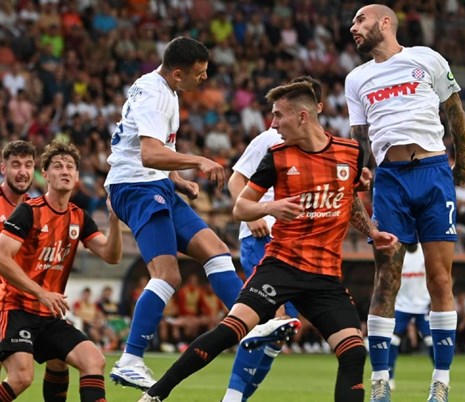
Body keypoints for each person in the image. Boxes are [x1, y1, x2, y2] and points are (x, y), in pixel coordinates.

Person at [138, 80, 397, 402]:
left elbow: (350, 199)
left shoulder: (350, 153)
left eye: (278, 115)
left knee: (354, 352)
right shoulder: (277, 156)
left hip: (325, 276)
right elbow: (240, 207)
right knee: (229, 330)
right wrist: (270, 207)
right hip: (281, 266)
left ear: (303, 116)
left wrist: (371, 231)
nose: (273, 123)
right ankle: (155, 395)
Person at [345, 5, 465, 402]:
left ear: (385, 22)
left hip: (433, 172)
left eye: (360, 21)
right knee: (386, 278)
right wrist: (358, 173)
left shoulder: (426, 59)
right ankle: (381, 381)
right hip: (391, 180)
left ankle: (441, 383)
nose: (353, 28)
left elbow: (456, 115)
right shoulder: (356, 79)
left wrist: (462, 167)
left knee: (440, 279)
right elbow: (360, 138)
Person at [104, 36, 244, 390]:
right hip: (136, 186)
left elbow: (155, 150)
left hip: (157, 185)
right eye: (200, 73)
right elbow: (149, 154)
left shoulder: (165, 89)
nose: (205, 78)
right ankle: (130, 359)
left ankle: (253, 324)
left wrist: (178, 180)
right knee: (167, 275)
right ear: (178, 73)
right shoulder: (154, 94)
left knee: (215, 250)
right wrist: (198, 161)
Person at [0, 140, 122, 402]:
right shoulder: (28, 211)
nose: (65, 171)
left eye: (70, 167)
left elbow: (111, 256)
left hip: (48, 314)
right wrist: (42, 293)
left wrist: (114, 220)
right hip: (15, 309)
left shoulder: (78, 216)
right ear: (44, 174)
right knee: (22, 377)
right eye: (57, 166)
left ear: (77, 176)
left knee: (94, 360)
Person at [221, 76, 324, 402]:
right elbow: (236, 181)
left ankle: (237, 398)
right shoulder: (268, 140)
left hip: (296, 246)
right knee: (268, 319)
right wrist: (253, 216)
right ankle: (232, 398)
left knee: (280, 332)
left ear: (315, 109)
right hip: (262, 237)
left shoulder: (318, 148)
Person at [0, 140, 71, 401]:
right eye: (15, 165)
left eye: (28, 165)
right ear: (3, 168)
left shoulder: (35, 210)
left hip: (22, 301)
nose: (22, 171)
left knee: (59, 358)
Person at [387, 243, 434, 391]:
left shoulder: (425, 252)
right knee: (393, 340)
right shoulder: (399, 254)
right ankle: (389, 377)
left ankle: (439, 378)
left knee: (431, 341)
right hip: (402, 305)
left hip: (423, 305)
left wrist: (433, 300)